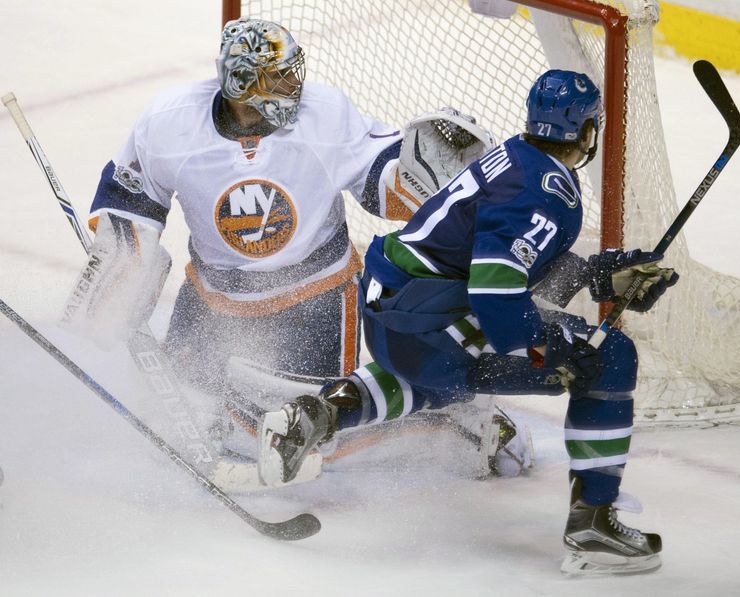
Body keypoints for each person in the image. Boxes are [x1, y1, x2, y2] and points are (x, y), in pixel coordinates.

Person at [257, 69, 679, 575]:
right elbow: (496, 286)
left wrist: (596, 277)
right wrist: (539, 352)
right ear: (587, 131)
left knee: (443, 373)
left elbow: (510, 260)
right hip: (428, 320)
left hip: (403, 314)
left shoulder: (517, 157)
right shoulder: (544, 190)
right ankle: (594, 526)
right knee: (607, 356)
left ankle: (318, 414)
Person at [64, 18, 495, 471]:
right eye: (279, 76)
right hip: (212, 300)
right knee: (176, 416)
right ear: (240, 82)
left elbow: (379, 177)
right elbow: (132, 194)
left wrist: (425, 178)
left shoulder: (325, 114)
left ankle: (453, 423)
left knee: (298, 438)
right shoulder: (170, 121)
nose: (294, 84)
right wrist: (125, 265)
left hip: (315, 302)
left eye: (292, 71)